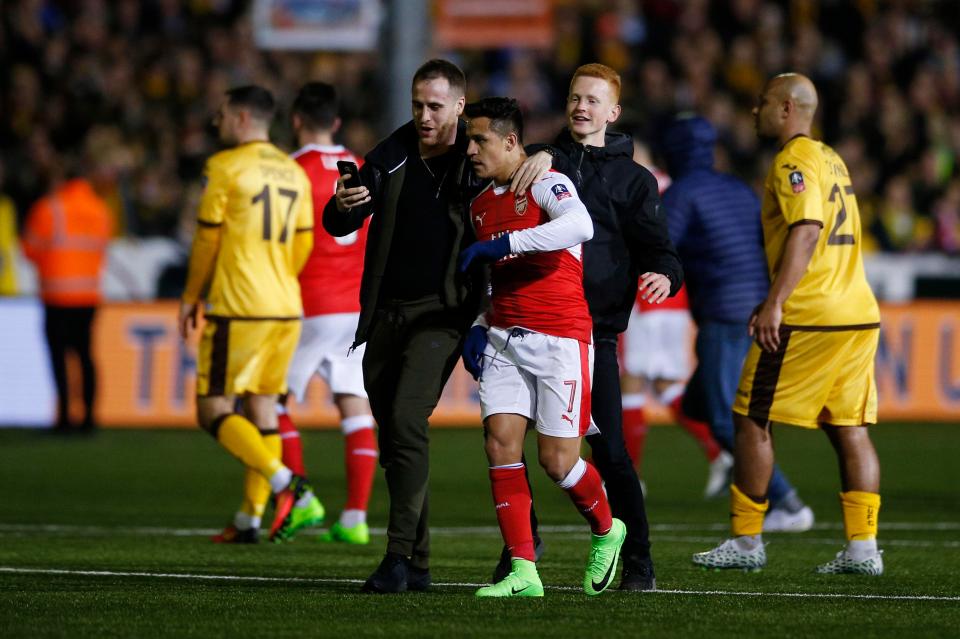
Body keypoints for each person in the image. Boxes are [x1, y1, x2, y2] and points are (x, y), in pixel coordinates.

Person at [693, 73, 884, 575]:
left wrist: (774, 302)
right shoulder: (832, 158)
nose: (754, 112)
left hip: (811, 313)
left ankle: (747, 541)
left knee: (751, 418)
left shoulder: (792, 160)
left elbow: (806, 229)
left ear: (785, 109)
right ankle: (863, 549)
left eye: (761, 103)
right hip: (857, 313)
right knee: (850, 428)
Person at [506, 63, 683, 590]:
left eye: (593, 100)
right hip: (534, 325)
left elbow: (663, 250)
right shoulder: (540, 160)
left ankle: (640, 562)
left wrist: (664, 276)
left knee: (609, 453)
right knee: (509, 444)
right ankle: (520, 551)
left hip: (594, 333)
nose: (582, 106)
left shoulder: (633, 180)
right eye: (575, 97)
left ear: (613, 112)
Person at [322, 60, 483, 594]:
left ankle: (394, 558)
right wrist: (341, 205)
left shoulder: (476, 157)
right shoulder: (391, 154)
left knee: (408, 420)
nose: (424, 115)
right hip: (385, 317)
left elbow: (523, 159)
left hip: (441, 316)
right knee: (394, 440)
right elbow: (342, 215)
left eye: (435, 106)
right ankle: (418, 563)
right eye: (418, 105)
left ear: (460, 105)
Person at [458, 97, 625, 598]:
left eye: (480, 139)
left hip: (560, 339)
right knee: (500, 444)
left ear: (511, 141)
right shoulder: (479, 204)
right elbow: (492, 275)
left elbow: (581, 226)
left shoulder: (547, 181)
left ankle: (606, 529)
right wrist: (480, 320)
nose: (470, 149)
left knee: (557, 462)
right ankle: (524, 572)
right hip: (505, 338)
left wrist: (508, 244)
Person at [178, 85, 322, 545]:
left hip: (240, 307)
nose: (216, 122)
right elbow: (303, 243)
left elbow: (206, 240)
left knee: (212, 408)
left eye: (221, 114)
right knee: (262, 407)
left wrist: (190, 296)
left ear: (241, 118)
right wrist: (278, 278)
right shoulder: (293, 172)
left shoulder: (224, 167)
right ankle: (249, 518)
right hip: (285, 307)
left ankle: (291, 489)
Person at [661, 114, 814, 531]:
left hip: (723, 316)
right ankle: (746, 471)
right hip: (758, 312)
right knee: (698, 403)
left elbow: (659, 248)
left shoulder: (681, 194)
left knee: (725, 418)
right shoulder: (738, 189)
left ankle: (788, 503)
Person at [281, 82, 378, 545]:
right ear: (336, 122)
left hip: (307, 301)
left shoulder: (289, 170)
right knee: (355, 407)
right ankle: (356, 519)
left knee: (269, 401)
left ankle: (299, 500)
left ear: (297, 120)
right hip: (354, 305)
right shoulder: (359, 168)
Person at [619, 142, 732, 499]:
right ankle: (719, 451)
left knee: (631, 386)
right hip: (676, 300)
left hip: (644, 296)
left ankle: (628, 476)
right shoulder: (678, 189)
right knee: (667, 385)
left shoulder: (632, 186)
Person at [22, 154, 113, 433]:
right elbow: (102, 248)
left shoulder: (49, 209)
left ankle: (63, 417)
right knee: (85, 356)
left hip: (56, 296)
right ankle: (89, 418)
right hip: (88, 296)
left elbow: (29, 249)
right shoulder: (100, 210)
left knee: (59, 357)